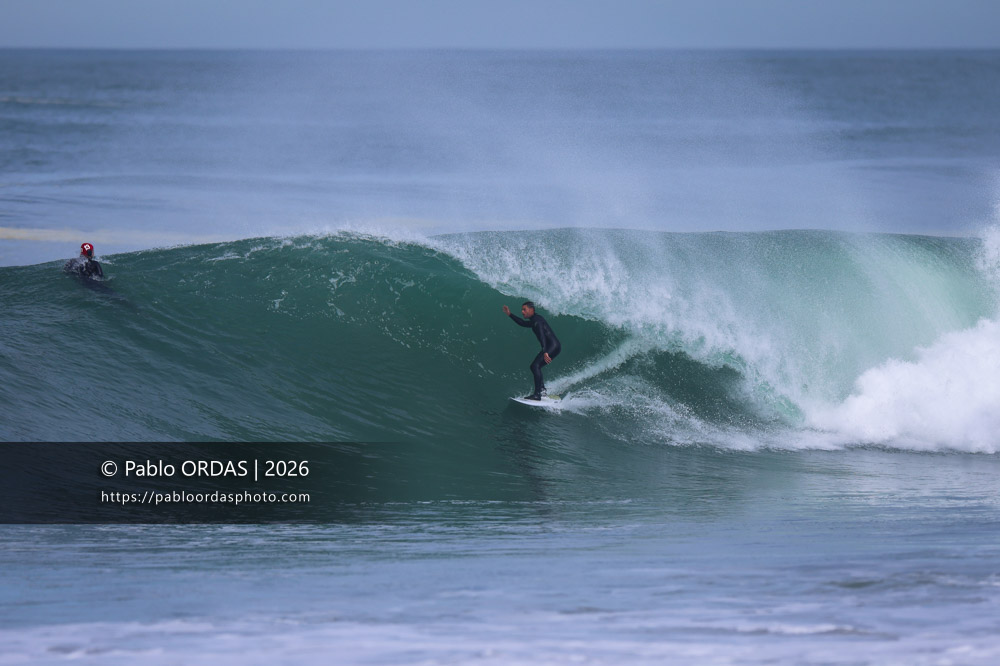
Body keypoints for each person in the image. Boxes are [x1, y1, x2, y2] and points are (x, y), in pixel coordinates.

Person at [503, 301, 561, 400]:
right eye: (522, 310)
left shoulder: (537, 321)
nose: (522, 312)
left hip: (551, 346)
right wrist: (510, 314)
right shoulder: (534, 319)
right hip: (553, 346)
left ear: (531, 310)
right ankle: (542, 391)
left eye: (524, 309)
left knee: (535, 366)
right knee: (535, 366)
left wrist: (545, 351)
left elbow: (542, 337)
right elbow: (523, 323)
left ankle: (537, 395)